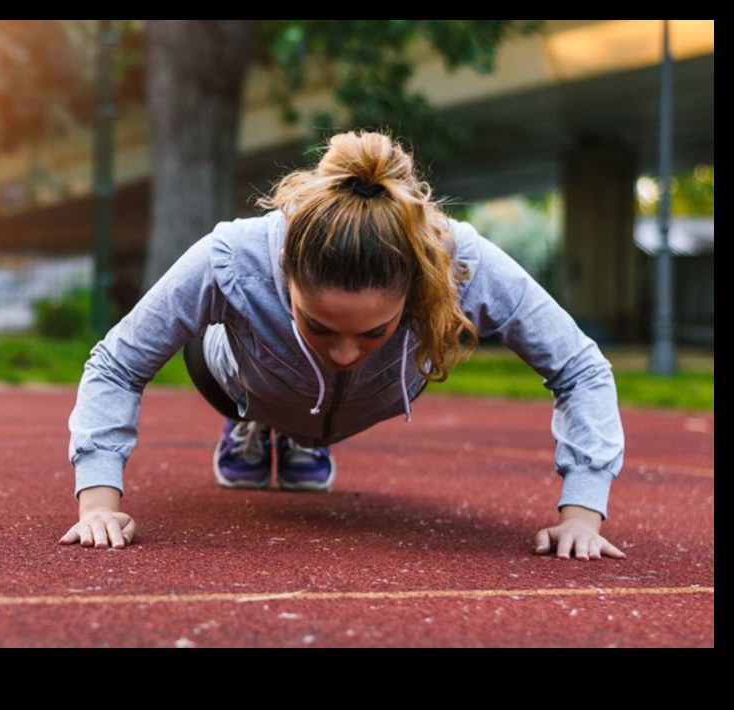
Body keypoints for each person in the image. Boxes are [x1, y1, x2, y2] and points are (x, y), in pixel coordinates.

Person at [59, 129, 626, 561]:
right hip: (242, 374)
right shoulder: (234, 255)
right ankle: (258, 422)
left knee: (359, 364)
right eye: (321, 326)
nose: (347, 351)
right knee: (209, 337)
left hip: (374, 396)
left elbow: (580, 368)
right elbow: (118, 364)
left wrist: (583, 513)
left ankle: (307, 428)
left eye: (373, 331)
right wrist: (99, 503)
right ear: (286, 272)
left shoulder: (463, 262)